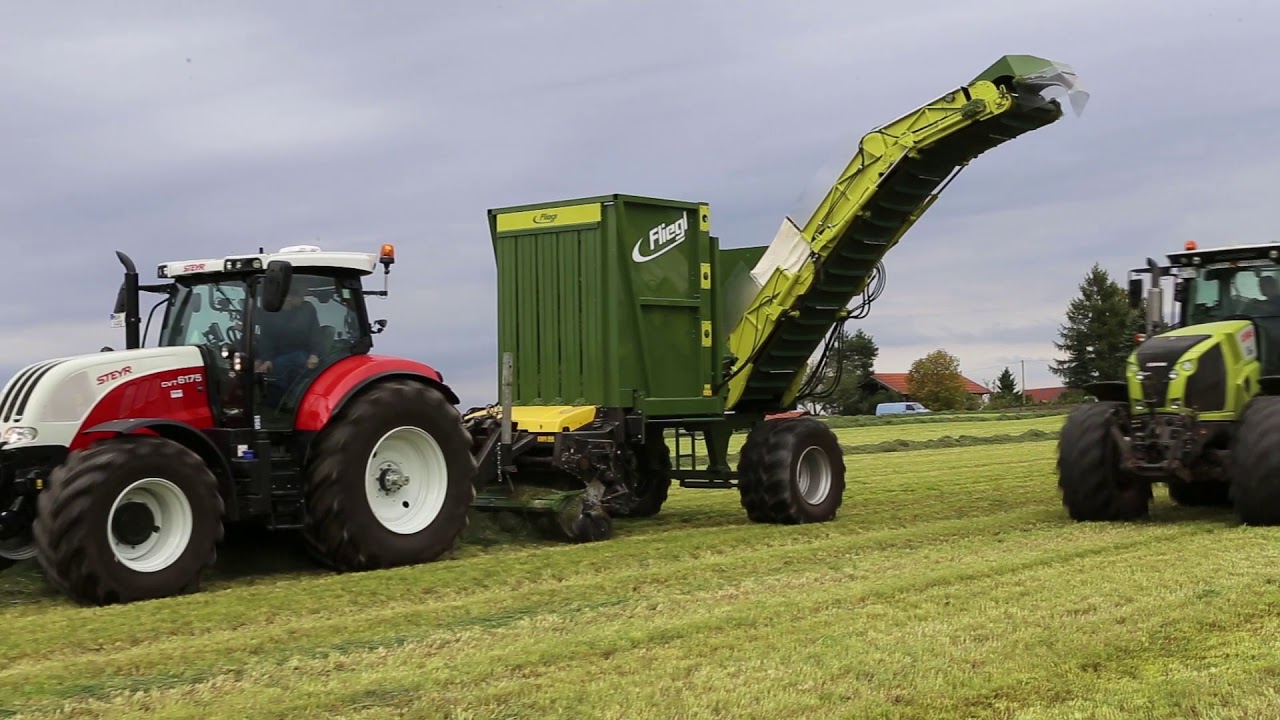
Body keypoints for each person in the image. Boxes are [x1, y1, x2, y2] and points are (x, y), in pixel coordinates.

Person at [254, 282, 324, 406]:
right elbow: (267, 338)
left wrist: (314, 354)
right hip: (278, 353)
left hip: (303, 353)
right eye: (300, 296)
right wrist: (266, 359)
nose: (303, 299)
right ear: (289, 297)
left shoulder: (307, 309)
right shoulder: (271, 314)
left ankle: (280, 400)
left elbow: (315, 333)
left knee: (285, 362)